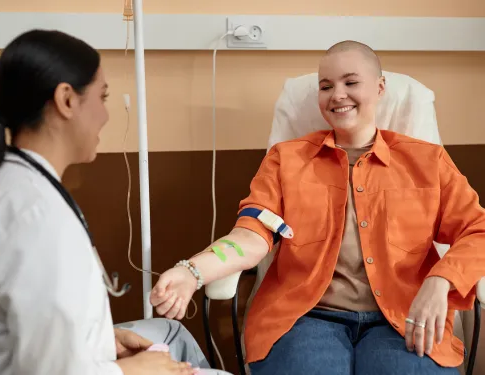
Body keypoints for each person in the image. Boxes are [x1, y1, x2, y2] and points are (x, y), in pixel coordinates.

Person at [150, 40, 485, 375]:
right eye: (326, 86)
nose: (337, 95)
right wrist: (191, 271)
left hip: (402, 318)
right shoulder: (286, 160)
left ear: (380, 87)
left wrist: (440, 281)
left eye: (351, 82)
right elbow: (251, 236)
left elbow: (478, 231)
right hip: (304, 318)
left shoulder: (426, 161)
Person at [0, 29, 201, 375]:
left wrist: (102, 339)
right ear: (67, 100)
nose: (106, 115)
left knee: (171, 334)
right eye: (102, 97)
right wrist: (136, 371)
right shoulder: (38, 217)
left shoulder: (17, 185)